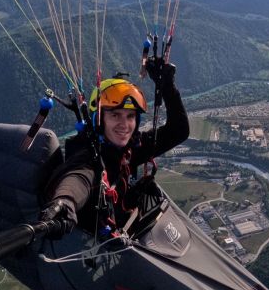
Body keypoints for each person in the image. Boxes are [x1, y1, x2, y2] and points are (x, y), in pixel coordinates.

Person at [40, 59, 188, 238]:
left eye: (130, 116)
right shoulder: (87, 154)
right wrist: (65, 201)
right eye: (115, 115)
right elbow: (78, 177)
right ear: (99, 120)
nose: (124, 125)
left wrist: (167, 87)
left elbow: (178, 131)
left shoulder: (130, 148)